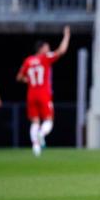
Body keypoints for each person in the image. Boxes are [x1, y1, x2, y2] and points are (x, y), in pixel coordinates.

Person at [16, 26, 70, 156]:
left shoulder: (28, 61)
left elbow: (19, 77)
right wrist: (67, 35)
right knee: (49, 120)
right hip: (43, 93)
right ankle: (41, 134)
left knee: (34, 121)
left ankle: (36, 147)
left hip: (31, 93)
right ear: (41, 49)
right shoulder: (44, 58)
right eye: (46, 47)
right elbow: (61, 50)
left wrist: (29, 80)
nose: (48, 49)